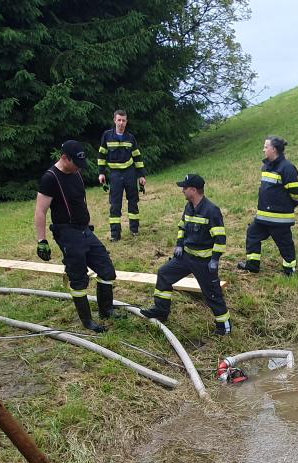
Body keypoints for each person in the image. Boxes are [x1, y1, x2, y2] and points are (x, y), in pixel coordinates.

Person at [35, 140, 117, 333]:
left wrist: (87, 223)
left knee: (106, 269)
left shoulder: (76, 172)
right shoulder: (50, 178)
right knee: (79, 277)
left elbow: (79, 202)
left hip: (84, 230)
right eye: (76, 164)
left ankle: (106, 310)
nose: (79, 168)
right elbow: (40, 211)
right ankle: (87, 321)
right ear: (65, 158)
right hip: (66, 233)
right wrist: (42, 240)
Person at [141, 174, 232, 335]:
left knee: (212, 293)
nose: (182, 190)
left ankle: (224, 326)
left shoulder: (211, 211)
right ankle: (161, 311)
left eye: (185, 187)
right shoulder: (189, 207)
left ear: (194, 190)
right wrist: (179, 245)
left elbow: (220, 238)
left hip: (204, 262)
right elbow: (182, 227)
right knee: (164, 274)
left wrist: (214, 259)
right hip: (185, 257)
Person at [238, 135, 298, 277]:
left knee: (284, 244)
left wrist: (285, 207)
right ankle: (252, 265)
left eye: (266, 147)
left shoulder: (287, 168)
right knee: (252, 234)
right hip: (263, 217)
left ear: (274, 149)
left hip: (280, 218)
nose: (263, 150)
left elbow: (296, 194)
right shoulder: (266, 166)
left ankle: (289, 269)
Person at [97, 110, 147, 241]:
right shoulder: (107, 136)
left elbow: (137, 157)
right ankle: (115, 235)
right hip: (115, 174)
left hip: (130, 172)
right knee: (115, 204)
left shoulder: (131, 138)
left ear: (126, 122)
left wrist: (141, 175)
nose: (121, 123)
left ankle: (134, 230)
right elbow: (102, 155)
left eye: (123, 120)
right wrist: (101, 173)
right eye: (119, 120)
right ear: (114, 120)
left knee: (133, 201)